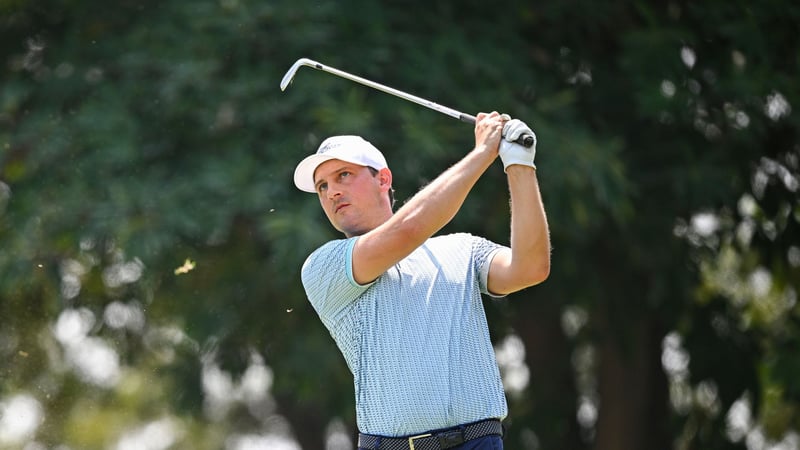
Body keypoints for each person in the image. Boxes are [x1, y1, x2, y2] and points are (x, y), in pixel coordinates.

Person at [293, 111, 550, 450]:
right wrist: (483, 153)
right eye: (322, 186)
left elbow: (530, 268)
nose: (331, 192)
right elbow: (409, 230)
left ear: (383, 179)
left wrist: (519, 165)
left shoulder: (463, 249)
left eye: (344, 175)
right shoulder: (323, 267)